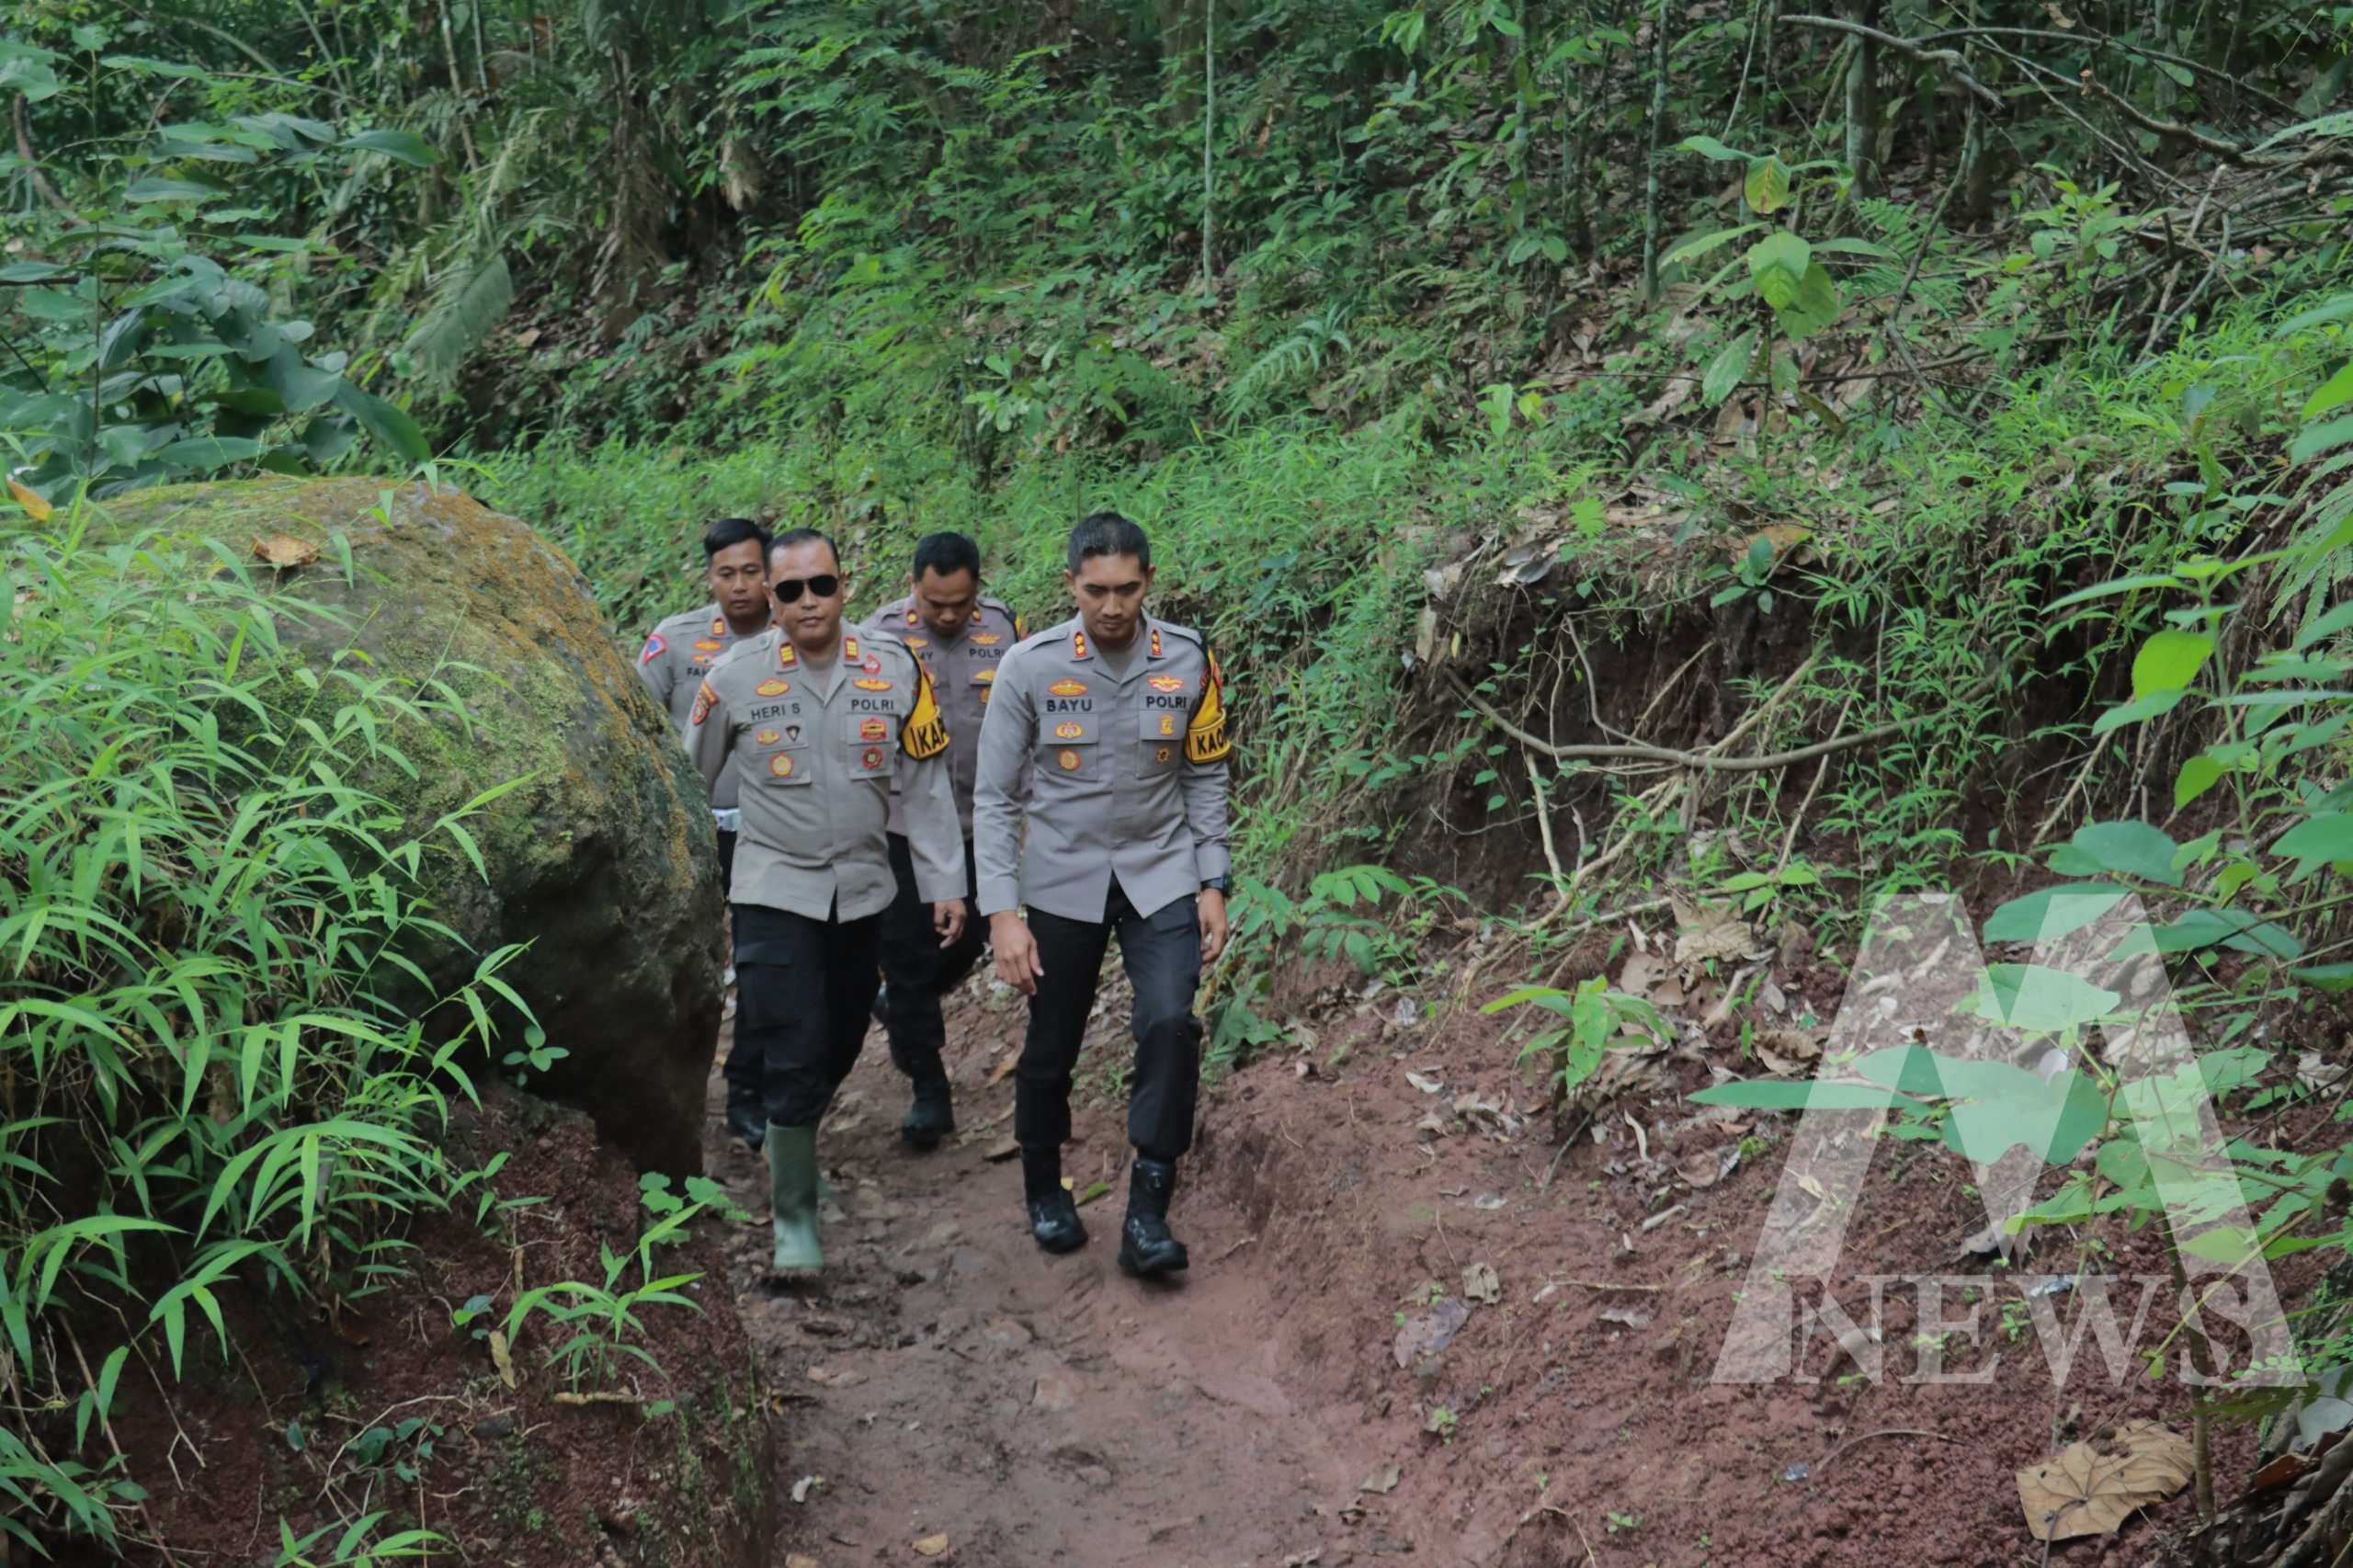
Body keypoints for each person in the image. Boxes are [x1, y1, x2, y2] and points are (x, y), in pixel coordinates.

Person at [685, 528, 968, 1275]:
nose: (808, 602)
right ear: (772, 600)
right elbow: (690, 784)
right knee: (792, 1040)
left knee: (841, 1036)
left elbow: (928, 783)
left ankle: (796, 1142)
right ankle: (795, 1225)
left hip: (865, 889)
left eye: (822, 586)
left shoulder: (894, 667)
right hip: (773, 886)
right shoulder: (735, 677)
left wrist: (945, 882)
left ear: (846, 585)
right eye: (790, 590)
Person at [972, 511, 1233, 1278]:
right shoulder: (1029, 666)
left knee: (1170, 1024)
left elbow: (1205, 772)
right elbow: (994, 799)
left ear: (1149, 581)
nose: (1112, 607)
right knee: (1052, 1043)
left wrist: (1213, 879)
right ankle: (1045, 1187)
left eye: (1126, 590)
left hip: (1161, 872)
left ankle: (1148, 1211)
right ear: (1070, 586)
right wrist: (1002, 914)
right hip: (1061, 874)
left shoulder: (1188, 659)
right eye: (1096, 592)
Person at [860, 531, 1025, 1151]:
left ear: (977, 589)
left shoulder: (1005, 631)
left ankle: (901, 1007)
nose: (949, 616)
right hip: (902, 824)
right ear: (913, 586)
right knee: (906, 951)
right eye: (936, 605)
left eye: (960, 603)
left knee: (971, 941)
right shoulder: (877, 638)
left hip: (980, 821)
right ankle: (929, 1088)